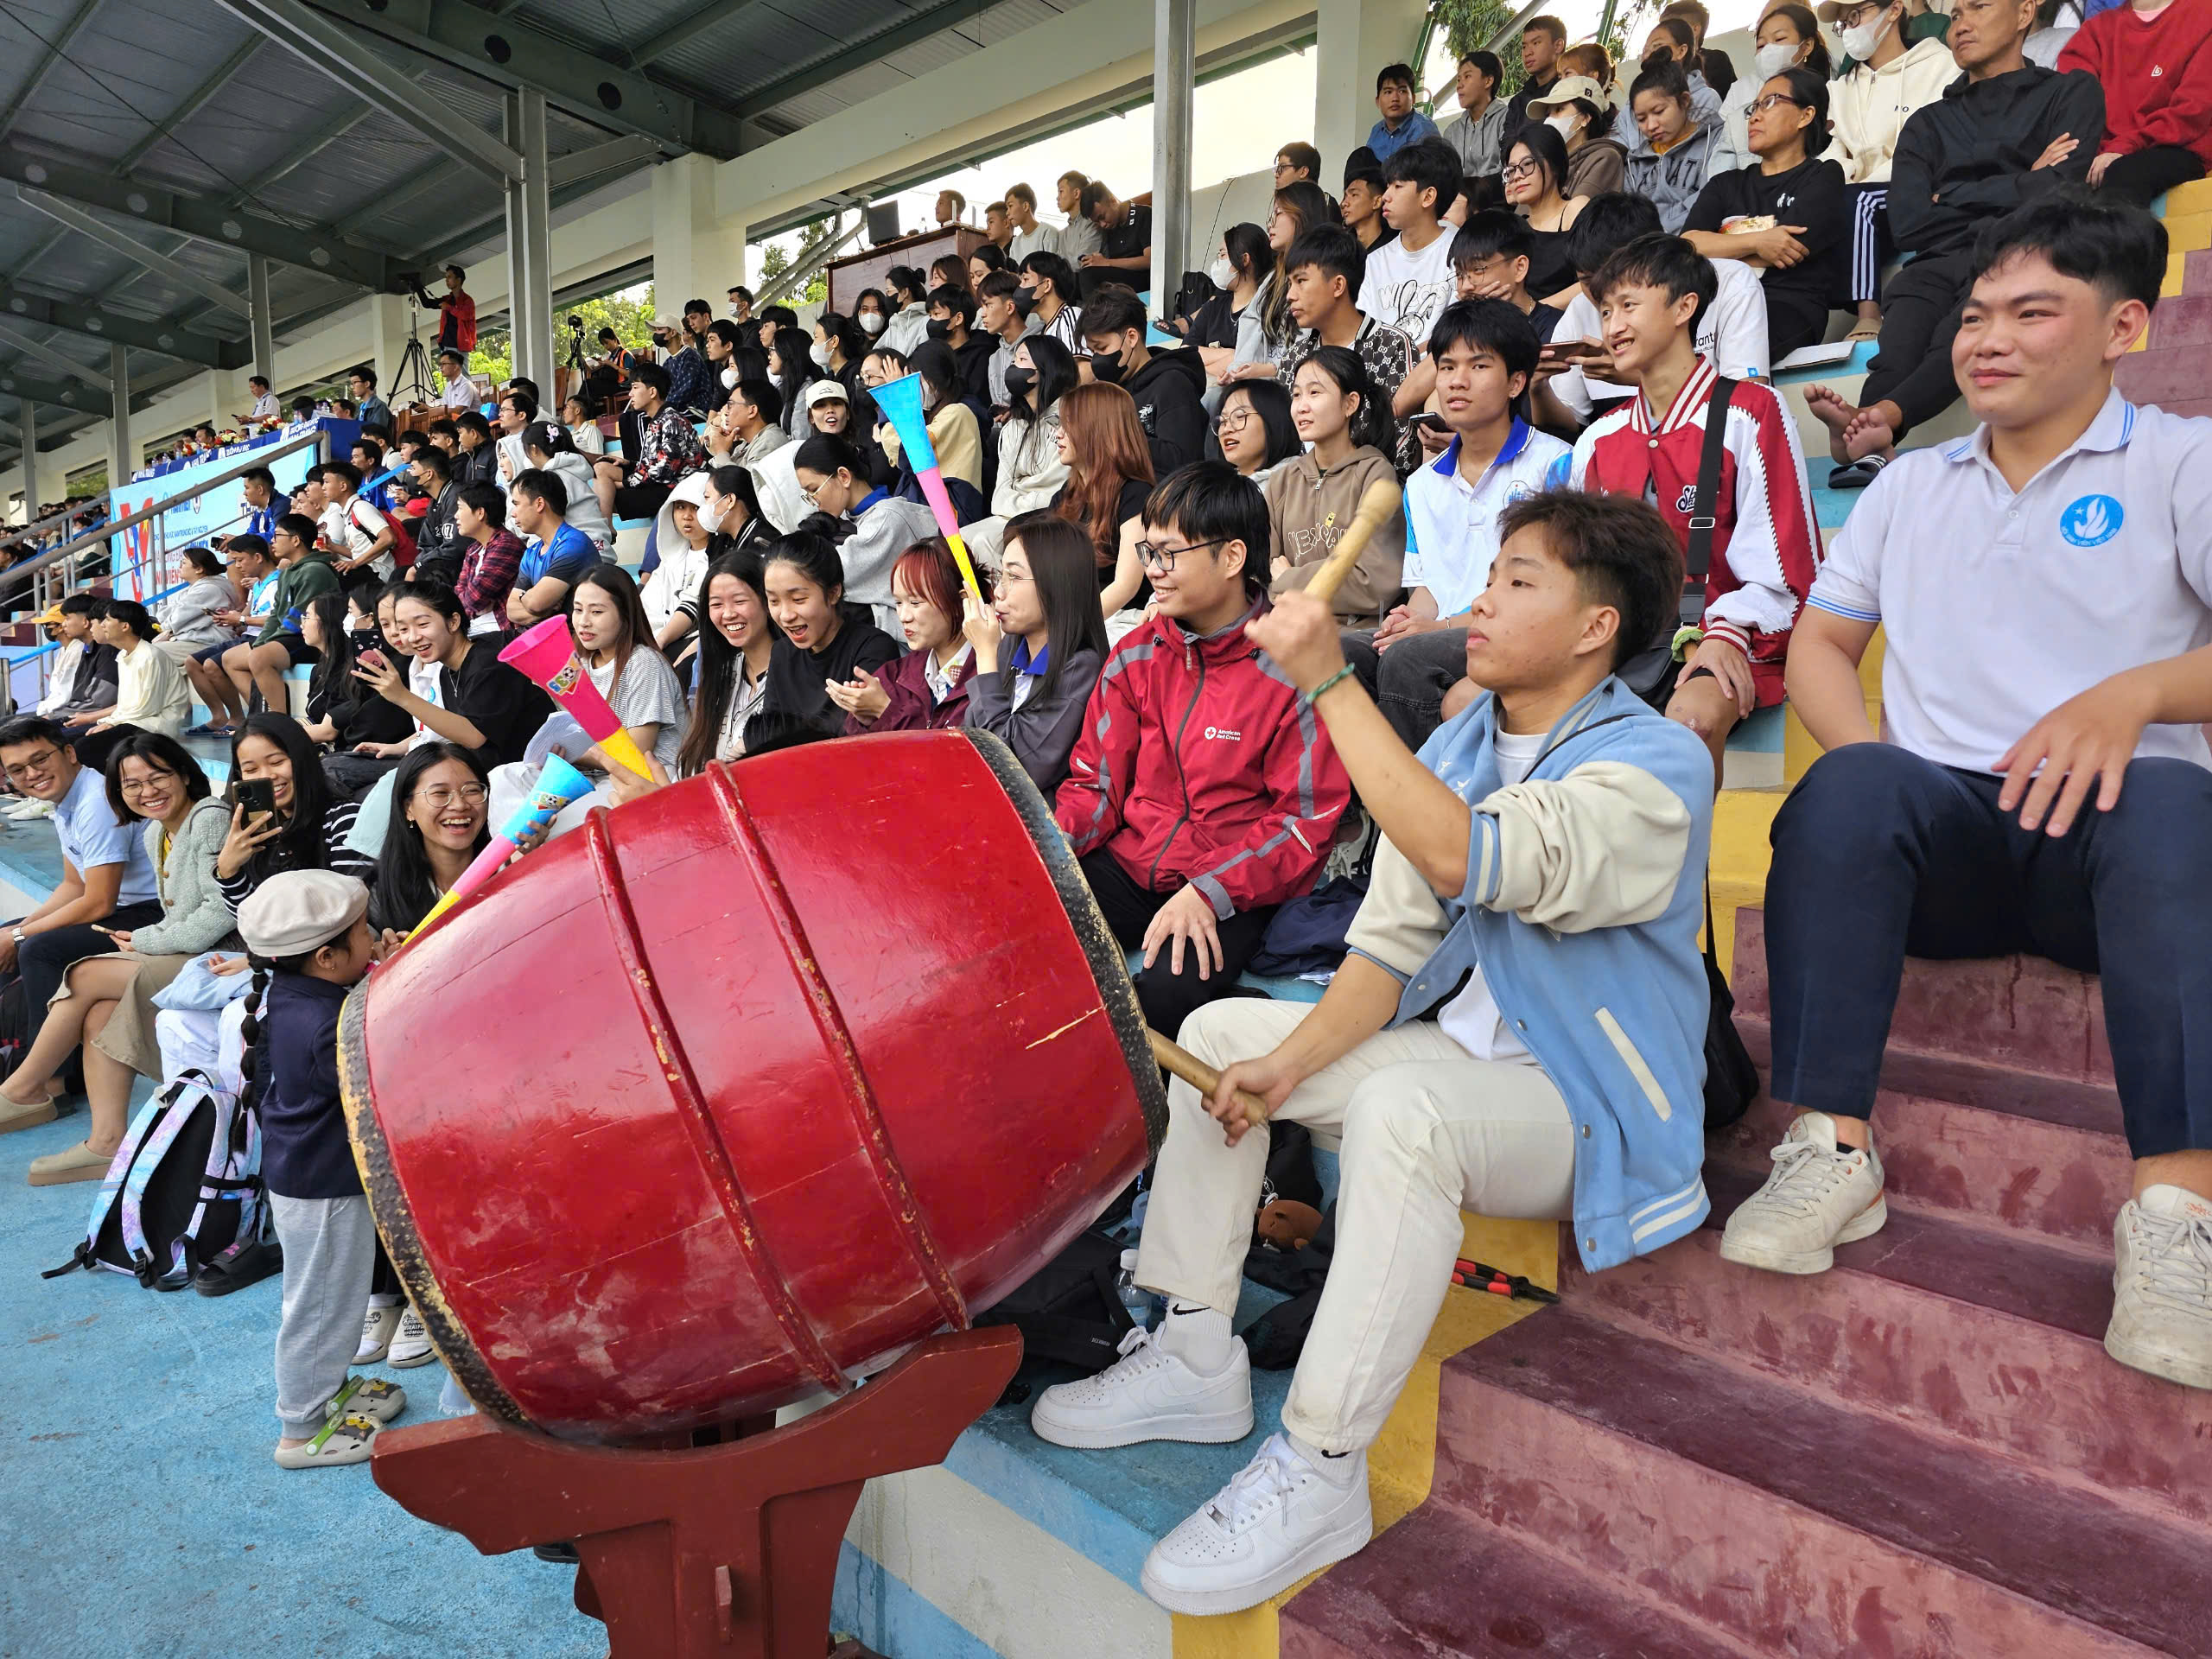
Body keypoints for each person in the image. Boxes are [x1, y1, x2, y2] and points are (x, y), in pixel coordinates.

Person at [1033, 487, 1710, 1616]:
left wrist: (1331, 682)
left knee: (1410, 1121)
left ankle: (1322, 1464)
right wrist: (1285, 1068)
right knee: (1224, 1032)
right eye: (1489, 576)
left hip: (1580, 1103)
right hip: (1457, 1063)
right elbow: (1388, 953)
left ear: (1599, 626)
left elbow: (1468, 858)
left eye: (1519, 582)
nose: (1482, 601)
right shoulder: (1459, 739)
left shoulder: (1659, 765)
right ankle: (1197, 1348)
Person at [1725, 197, 2212, 1395]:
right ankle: (1833, 1150)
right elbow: (1826, 646)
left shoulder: (2181, 463)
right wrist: (1872, 757)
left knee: (2168, 803)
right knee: (1842, 788)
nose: (1987, 339)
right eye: (1975, 314)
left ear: (2126, 327)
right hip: (1948, 837)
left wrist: (2138, 697)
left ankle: (2178, 1213)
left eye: (2032, 312)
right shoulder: (1910, 485)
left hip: (2111, 854)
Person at [1056, 462, 1351, 1038]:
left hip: (1233, 887)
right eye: (1148, 553)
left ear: (1233, 558)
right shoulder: (1137, 654)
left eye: (1170, 554)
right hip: (1132, 862)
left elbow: (1303, 822)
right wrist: (1053, 846)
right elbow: (1096, 786)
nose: (1154, 572)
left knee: (1161, 998)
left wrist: (1210, 890)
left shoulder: (1294, 668)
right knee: (1029, 926)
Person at [1806, 0, 2104, 483]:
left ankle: (1878, 421)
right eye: (1956, 12)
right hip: (1935, 261)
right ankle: (1868, 428)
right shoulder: (1927, 122)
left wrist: (1953, 197)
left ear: (2025, 12)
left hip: (2022, 253)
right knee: (1901, 332)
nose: (1959, 23)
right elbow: (1908, 224)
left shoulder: (2069, 93)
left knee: (1964, 327)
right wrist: (2023, 181)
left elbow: (2063, 190)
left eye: (1978, 7)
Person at [1569, 234, 1820, 779]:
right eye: (1606, 310)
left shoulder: (1751, 410)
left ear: (1685, 307)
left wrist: (1728, 631)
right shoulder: (1598, 438)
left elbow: (1789, 568)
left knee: (1693, 721)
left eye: (1629, 306)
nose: (1612, 327)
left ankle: (1684, 866)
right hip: (1617, 642)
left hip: (1724, 634)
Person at [1, 735, 235, 1184]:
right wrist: (150, 937)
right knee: (101, 1013)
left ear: (185, 774)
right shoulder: (154, 831)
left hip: (222, 957)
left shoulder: (208, 819)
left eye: (158, 777)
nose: (147, 791)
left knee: (82, 972)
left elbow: (219, 911)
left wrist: (147, 939)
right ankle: (108, 1143)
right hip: (185, 948)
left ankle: (25, 1087)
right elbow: (177, 914)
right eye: (133, 784)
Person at [1350, 302, 1573, 748]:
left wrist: (1438, 629)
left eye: (1479, 365)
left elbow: (1548, 590)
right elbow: (1430, 584)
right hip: (1447, 633)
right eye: (1447, 365)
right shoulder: (1421, 483)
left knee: (1409, 660)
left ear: (1516, 381)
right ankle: (1350, 811)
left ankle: (1418, 808)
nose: (1457, 380)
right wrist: (1412, 619)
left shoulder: (1556, 464)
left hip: (1522, 635)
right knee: (1339, 655)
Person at [236, 869, 401, 1469]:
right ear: (328, 957)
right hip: (323, 1185)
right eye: (364, 933)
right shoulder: (324, 1025)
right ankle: (301, 1428)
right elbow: (379, 1073)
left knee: (338, 1293)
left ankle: (328, 1393)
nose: (374, 935)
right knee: (322, 1303)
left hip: (310, 1175)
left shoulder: (297, 993)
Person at [0, 719, 164, 1140]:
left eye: (40, 759)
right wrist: (18, 928)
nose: (31, 774)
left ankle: (50, 1081)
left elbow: (98, 902)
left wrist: (22, 937)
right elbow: (72, 886)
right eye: (18, 770)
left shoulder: (95, 801)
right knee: (16, 931)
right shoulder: (67, 801)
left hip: (149, 913)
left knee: (40, 949)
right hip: (119, 909)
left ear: (68, 753)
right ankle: (28, 1060)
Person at [487, 565, 685, 837]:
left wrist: (575, 754)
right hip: (590, 774)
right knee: (503, 777)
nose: (583, 622)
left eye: (597, 612)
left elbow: (636, 754)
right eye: (578, 610)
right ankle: (512, 860)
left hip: (639, 781)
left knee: (553, 824)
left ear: (626, 615)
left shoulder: (644, 663)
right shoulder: (579, 661)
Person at [1543, 191, 1773, 426]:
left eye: (1616, 281)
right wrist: (1538, 389)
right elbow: (1571, 422)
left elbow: (1747, 404)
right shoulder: (1579, 310)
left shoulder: (1731, 282)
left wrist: (1639, 377)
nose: (1602, 293)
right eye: (1588, 280)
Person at [1685, 66, 1851, 361]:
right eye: (1754, 107)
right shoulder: (1726, 184)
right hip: (1716, 304)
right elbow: (1687, 248)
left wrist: (1717, 247)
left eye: (1770, 102)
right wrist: (1758, 243)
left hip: (1785, 307)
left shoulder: (1824, 175)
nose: (1755, 116)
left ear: (1806, 115)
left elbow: (1789, 249)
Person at [1826, 0, 1960, 341]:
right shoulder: (1839, 89)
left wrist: (1857, 187)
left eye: (1856, 15)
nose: (1849, 29)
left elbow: (1933, 142)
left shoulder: (1940, 67)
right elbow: (1833, 150)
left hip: (1917, 187)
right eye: (1842, 23)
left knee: (1860, 201)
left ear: (1895, 9)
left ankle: (1868, 315)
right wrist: (1843, 180)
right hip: (1853, 193)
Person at [963, 512, 1110, 794]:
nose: (998, 592)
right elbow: (970, 738)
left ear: (1055, 583)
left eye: (1014, 577)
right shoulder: (1011, 647)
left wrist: (984, 655)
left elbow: (1013, 770)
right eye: (1000, 576)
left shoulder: (1080, 669)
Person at [1267, 348, 1406, 626]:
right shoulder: (1282, 480)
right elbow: (1266, 575)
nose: (1301, 406)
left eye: (1315, 393)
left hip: (1357, 638)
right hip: (1290, 630)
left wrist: (1290, 579)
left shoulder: (1374, 473)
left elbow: (1374, 583)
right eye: (1296, 395)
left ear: (1350, 404)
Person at [1275, 225, 1416, 473]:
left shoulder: (1391, 345)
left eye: (1301, 281)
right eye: (1290, 284)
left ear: (1338, 285)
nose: (1290, 295)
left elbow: (1403, 444)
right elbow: (1285, 441)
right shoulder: (1294, 358)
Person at [2059, 0, 2212, 206]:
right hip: (2102, 153)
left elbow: (2191, 113)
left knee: (2122, 176)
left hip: (2177, 147)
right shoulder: (2094, 31)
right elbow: (2074, 111)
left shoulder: (2205, 15)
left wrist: (2123, 148)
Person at [832, 538, 987, 734]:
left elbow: (949, 758)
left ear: (961, 601)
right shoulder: (896, 675)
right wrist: (865, 721)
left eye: (915, 603)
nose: (903, 617)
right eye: (898, 603)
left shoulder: (990, 678)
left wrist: (885, 712)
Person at [791, 435, 942, 635]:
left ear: (844, 476)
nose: (813, 500)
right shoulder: (858, 517)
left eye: (814, 489)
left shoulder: (884, 522)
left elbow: (820, 576)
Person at [758, 533, 901, 737]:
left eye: (798, 599)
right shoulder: (782, 653)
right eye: (773, 601)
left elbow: (864, 735)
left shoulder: (872, 648)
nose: (786, 615)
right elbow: (768, 734)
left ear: (833, 593)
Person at [366, 743, 491, 938]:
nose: (459, 805)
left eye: (472, 791)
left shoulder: (508, 870)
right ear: (409, 808)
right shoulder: (379, 898)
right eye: (440, 793)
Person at [1081, 285, 1208, 475]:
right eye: (1092, 352)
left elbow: (1182, 461)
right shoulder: (1112, 392)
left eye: (1102, 348)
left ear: (1131, 337)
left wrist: (1115, 439)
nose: (1097, 360)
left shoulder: (1173, 383)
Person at [223, 513, 340, 721]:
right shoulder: (287, 572)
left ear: (295, 540)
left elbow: (300, 616)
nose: (272, 541)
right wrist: (263, 641)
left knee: (259, 657)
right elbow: (277, 614)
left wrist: (268, 644)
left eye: (277, 536)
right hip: (291, 635)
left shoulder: (315, 570)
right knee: (230, 659)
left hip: (311, 637)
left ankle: (279, 721)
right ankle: (260, 714)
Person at [1052, 383, 1156, 611]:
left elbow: (1126, 586)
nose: (1058, 433)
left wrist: (1073, 628)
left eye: (1068, 425)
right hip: (1074, 615)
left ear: (1097, 430)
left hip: (1122, 618)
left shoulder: (1135, 494)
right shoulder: (1064, 497)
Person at [675, 551, 776, 772]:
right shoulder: (719, 672)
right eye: (716, 604)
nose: (728, 614)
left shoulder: (794, 675)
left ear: (768, 602)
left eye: (739, 601)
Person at [1624, 57, 1742, 234]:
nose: (1651, 125)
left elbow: (1711, 202)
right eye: (1641, 119)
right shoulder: (1635, 162)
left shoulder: (1717, 141)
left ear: (1685, 100)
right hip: (1645, 250)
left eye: (1659, 112)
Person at [66, 600, 188, 771]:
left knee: (84, 748)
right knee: (66, 740)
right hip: (132, 719)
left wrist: (112, 723)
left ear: (125, 626)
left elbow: (147, 707)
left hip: (153, 724)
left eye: (107, 620)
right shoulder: (123, 655)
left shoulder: (149, 656)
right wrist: (109, 721)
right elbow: (127, 704)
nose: (103, 625)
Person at [1363, 141, 1461, 345]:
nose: (1386, 196)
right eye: (1388, 185)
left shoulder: (1461, 255)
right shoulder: (1374, 262)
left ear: (1428, 196)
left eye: (1398, 186)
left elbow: (1458, 334)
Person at [300, 592, 410, 760]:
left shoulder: (355, 666)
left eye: (307, 617)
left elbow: (328, 731)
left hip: (350, 748)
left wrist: (281, 734)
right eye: (386, 624)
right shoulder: (321, 669)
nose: (302, 624)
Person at [593, 361, 706, 522]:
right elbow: (653, 465)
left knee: (605, 496)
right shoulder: (656, 421)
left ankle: (603, 533)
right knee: (601, 468)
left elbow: (664, 471)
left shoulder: (672, 421)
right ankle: (607, 528)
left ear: (652, 392)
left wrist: (625, 483)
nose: (630, 394)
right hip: (659, 484)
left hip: (675, 489)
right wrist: (629, 464)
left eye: (635, 387)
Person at [1721, 4, 1832, 164]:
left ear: (1807, 46)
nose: (1768, 50)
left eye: (1779, 39)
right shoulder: (1736, 119)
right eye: (1760, 45)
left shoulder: (1833, 100)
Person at [183, 543, 270, 738]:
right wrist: (233, 619)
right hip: (248, 635)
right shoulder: (258, 584)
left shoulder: (277, 581)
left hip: (264, 638)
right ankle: (223, 717)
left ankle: (260, 721)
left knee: (214, 664)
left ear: (258, 557)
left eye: (240, 560)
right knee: (193, 662)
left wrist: (240, 619)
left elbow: (276, 618)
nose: (237, 567)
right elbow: (246, 617)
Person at [505, 470, 600, 631]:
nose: (513, 514)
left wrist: (529, 600)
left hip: (570, 642)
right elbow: (511, 611)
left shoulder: (573, 544)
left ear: (539, 504)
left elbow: (536, 603)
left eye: (517, 504)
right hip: (536, 637)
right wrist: (545, 610)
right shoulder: (531, 552)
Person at [1503, 126, 1591, 298]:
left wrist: (1538, 311)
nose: (1517, 176)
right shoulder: (1515, 229)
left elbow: (1596, 278)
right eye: (1511, 170)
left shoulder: (1575, 209)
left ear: (1555, 164)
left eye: (1527, 164)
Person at [995, 334, 1076, 517]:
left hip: (1050, 519)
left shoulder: (1070, 423)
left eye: (1022, 359)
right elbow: (999, 495)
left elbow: (1055, 491)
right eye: (1014, 360)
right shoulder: (1012, 428)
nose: (1013, 367)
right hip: (1008, 515)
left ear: (1047, 368)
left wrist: (1018, 495)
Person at [1527, 74, 1630, 201]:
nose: (1549, 119)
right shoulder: (1545, 163)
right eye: (1548, 114)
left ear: (1585, 118)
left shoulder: (1606, 158)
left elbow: (1577, 217)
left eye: (1559, 109)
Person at [643, 473, 717, 642]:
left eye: (696, 508)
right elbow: (647, 610)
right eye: (681, 507)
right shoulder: (669, 561)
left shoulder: (719, 558)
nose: (687, 516)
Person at [521, 421, 612, 549]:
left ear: (534, 449)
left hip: (580, 554)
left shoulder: (553, 478)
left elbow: (539, 521)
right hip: (595, 547)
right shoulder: (570, 470)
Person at [315, 461, 397, 593]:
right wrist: (333, 547)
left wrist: (355, 563)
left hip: (379, 574)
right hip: (367, 571)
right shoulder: (349, 514)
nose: (323, 487)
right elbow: (359, 553)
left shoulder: (361, 508)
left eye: (326, 482)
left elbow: (388, 538)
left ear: (343, 486)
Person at [154, 545, 235, 664]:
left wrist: (168, 627)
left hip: (209, 643)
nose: (179, 566)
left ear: (199, 569)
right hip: (194, 641)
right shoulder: (194, 588)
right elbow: (163, 615)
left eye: (183, 563)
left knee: (150, 653)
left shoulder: (208, 589)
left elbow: (175, 621)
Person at [1077, 181, 1154, 296]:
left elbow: (1150, 260)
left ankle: (1094, 314)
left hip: (1144, 278)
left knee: (1088, 275)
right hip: (1120, 280)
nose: (1102, 224)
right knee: (1074, 280)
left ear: (1112, 200)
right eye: (1097, 222)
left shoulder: (1143, 214)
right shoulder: (1110, 229)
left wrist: (1106, 262)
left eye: (1102, 217)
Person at [1215, 379, 1301, 484]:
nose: (1226, 429)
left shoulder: (1298, 484)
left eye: (1240, 416)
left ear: (1274, 421)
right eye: (1222, 421)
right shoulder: (1219, 488)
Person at [1445, 50, 1511, 185]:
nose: (1459, 86)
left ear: (1488, 81)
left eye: (1467, 77)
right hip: (1459, 201)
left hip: (1498, 200)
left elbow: (1508, 168)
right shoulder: (1451, 132)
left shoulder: (1506, 119)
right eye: (1458, 79)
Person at [1368, 60, 1443, 162]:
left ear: (1414, 98)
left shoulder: (1424, 129)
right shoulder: (1376, 131)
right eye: (1388, 92)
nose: (1395, 98)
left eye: (1402, 91)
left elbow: (1435, 173)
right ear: (1378, 101)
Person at [1505, 15, 1568, 135]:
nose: (1527, 53)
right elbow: (1507, 144)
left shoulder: (1572, 93)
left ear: (1558, 45)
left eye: (1536, 43)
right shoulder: (1517, 102)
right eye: (1524, 46)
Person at [1016, 250, 1086, 356]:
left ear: (1047, 285)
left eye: (1025, 279)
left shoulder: (1070, 317)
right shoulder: (1044, 328)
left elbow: (1082, 368)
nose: (1020, 287)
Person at [1339, 149, 1394, 255]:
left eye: (1354, 195)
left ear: (1377, 202)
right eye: (1345, 196)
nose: (1344, 203)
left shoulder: (1391, 252)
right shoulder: (1342, 251)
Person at [1056, 171, 1104, 267]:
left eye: (1061, 192)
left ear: (1076, 193)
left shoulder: (1092, 222)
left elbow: (1084, 262)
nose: (1057, 198)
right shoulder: (1062, 234)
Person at [1005, 183, 1058, 260]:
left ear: (1025, 206)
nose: (1007, 213)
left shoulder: (1048, 233)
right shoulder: (1015, 243)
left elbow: (1054, 269)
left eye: (1010, 206)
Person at [435, 263, 475, 359]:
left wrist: (449, 308)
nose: (446, 280)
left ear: (458, 280)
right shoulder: (447, 299)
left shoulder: (467, 300)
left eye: (449, 277)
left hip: (460, 345)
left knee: (463, 374)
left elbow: (465, 315)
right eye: (446, 277)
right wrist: (419, 287)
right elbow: (427, 303)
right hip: (446, 344)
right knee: (449, 373)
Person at [562, 391, 607, 457]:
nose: (564, 412)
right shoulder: (570, 434)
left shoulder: (591, 430)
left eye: (567, 408)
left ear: (577, 411)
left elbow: (597, 458)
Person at [349, 366, 391, 434]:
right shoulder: (362, 408)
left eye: (355, 382)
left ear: (367, 384)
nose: (352, 387)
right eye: (352, 384)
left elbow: (377, 433)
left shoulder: (379, 406)